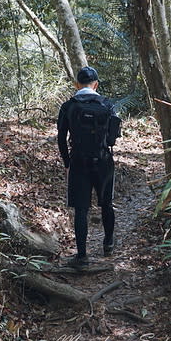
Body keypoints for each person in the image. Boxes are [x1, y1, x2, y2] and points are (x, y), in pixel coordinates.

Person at [57, 66, 120, 268]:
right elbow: (112, 139)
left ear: (77, 84)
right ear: (96, 84)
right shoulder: (107, 105)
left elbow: (60, 138)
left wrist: (67, 163)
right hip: (103, 161)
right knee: (107, 203)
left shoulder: (68, 106)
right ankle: (108, 244)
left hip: (78, 162)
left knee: (81, 209)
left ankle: (82, 256)